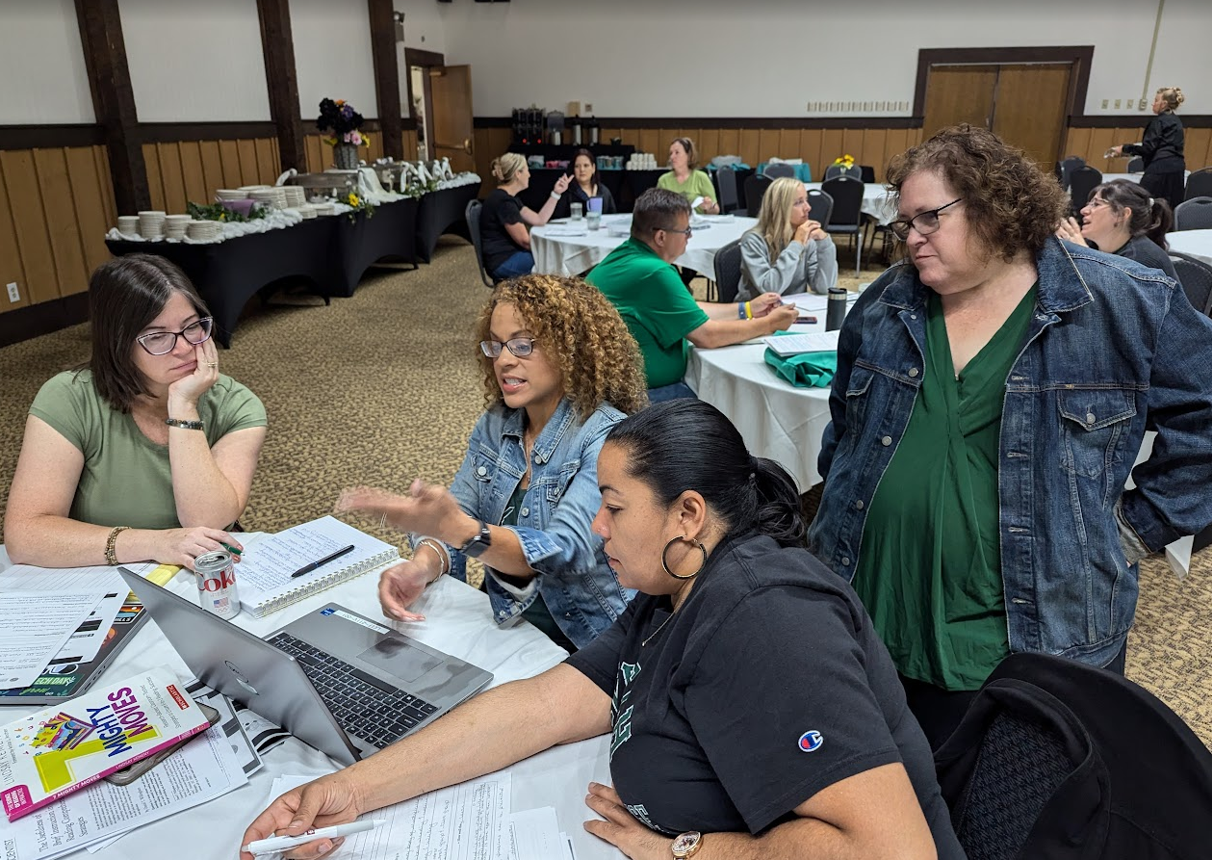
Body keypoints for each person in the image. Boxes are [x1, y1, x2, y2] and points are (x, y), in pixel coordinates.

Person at [240, 401, 965, 860]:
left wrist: (688, 851)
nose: (596, 525)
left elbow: (891, 849)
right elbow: (546, 703)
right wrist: (353, 790)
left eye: (613, 506)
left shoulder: (767, 621)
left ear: (686, 514)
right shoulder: (674, 587)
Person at [807, 124, 1212, 750]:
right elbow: (845, 426)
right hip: (875, 614)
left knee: (1007, 813)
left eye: (929, 218)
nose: (910, 240)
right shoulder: (887, 303)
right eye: (905, 224)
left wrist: (1135, 529)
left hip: (1036, 628)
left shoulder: (1120, 299)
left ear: (994, 207)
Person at [335, 274, 647, 652]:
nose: (503, 360)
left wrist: (463, 531)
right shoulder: (496, 423)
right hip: (507, 617)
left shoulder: (605, 435)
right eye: (496, 346)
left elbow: (566, 550)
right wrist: (422, 564)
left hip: (586, 637)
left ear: (571, 349)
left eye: (522, 344)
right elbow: (458, 512)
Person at [4, 254, 267, 571]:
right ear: (118, 344)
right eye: (157, 337)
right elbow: (25, 535)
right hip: (96, 576)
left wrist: (184, 406)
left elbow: (207, 520)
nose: (184, 347)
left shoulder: (237, 405)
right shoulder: (69, 398)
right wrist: (156, 544)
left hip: (200, 576)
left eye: (193, 327)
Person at [588, 189, 798, 402]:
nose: (690, 236)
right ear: (661, 236)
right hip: (640, 399)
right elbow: (708, 336)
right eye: (686, 230)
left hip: (609, 391)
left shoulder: (626, 256)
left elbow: (687, 309)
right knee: (733, 400)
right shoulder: (654, 272)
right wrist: (770, 324)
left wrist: (748, 309)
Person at [737, 177, 839, 301]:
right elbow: (770, 290)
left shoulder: (807, 239)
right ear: (780, 209)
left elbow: (824, 287)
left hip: (793, 309)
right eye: (799, 202)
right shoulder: (753, 240)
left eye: (806, 200)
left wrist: (824, 244)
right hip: (755, 314)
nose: (808, 207)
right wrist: (796, 245)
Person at [1056, 178, 1177, 281]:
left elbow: (1112, 303)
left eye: (1096, 204)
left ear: (1122, 214)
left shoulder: (1142, 260)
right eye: (1089, 204)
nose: (1084, 210)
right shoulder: (1093, 245)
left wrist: (1085, 257)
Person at [480, 153, 571, 280]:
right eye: (527, 170)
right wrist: (552, 249)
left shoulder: (509, 198)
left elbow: (539, 220)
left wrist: (556, 193)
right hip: (503, 262)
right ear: (518, 174)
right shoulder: (504, 203)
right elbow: (525, 242)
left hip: (508, 256)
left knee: (555, 261)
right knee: (554, 265)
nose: (529, 174)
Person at [1106, 86, 1187, 209]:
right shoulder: (1177, 121)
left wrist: (1124, 149)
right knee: (1170, 207)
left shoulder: (1158, 122)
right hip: (1177, 168)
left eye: (1156, 100)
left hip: (1160, 168)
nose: (1153, 103)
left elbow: (1148, 148)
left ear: (1164, 104)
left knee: (1142, 203)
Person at [657, 137, 719, 215]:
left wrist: (709, 208)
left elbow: (716, 210)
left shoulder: (701, 177)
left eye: (677, 152)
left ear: (688, 156)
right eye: (671, 153)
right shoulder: (663, 180)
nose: (672, 157)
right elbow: (658, 210)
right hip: (672, 225)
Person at [553, 148, 617, 219]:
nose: (582, 170)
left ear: (593, 168)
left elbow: (612, 217)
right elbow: (557, 219)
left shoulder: (604, 192)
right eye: (577, 166)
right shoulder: (566, 193)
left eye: (586, 165)